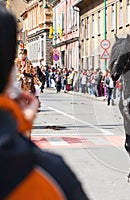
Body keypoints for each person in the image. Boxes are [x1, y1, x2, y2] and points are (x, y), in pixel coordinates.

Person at [0, 5, 88, 199]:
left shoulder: (27, 63)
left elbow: (33, 74)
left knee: (33, 86)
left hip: (22, 86)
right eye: (21, 53)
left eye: (23, 54)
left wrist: (35, 80)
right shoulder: (49, 172)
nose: (23, 56)